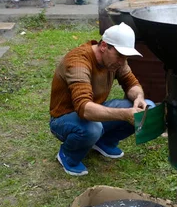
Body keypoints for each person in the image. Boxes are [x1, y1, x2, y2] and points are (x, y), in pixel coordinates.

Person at [49, 23, 155, 176]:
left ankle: (103, 142)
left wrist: (139, 97)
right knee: (92, 128)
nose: (122, 61)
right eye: (119, 55)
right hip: (64, 118)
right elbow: (84, 108)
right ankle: (67, 155)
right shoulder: (78, 61)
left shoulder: (116, 61)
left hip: (93, 111)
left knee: (146, 108)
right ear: (104, 46)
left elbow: (132, 83)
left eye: (125, 57)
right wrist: (124, 114)